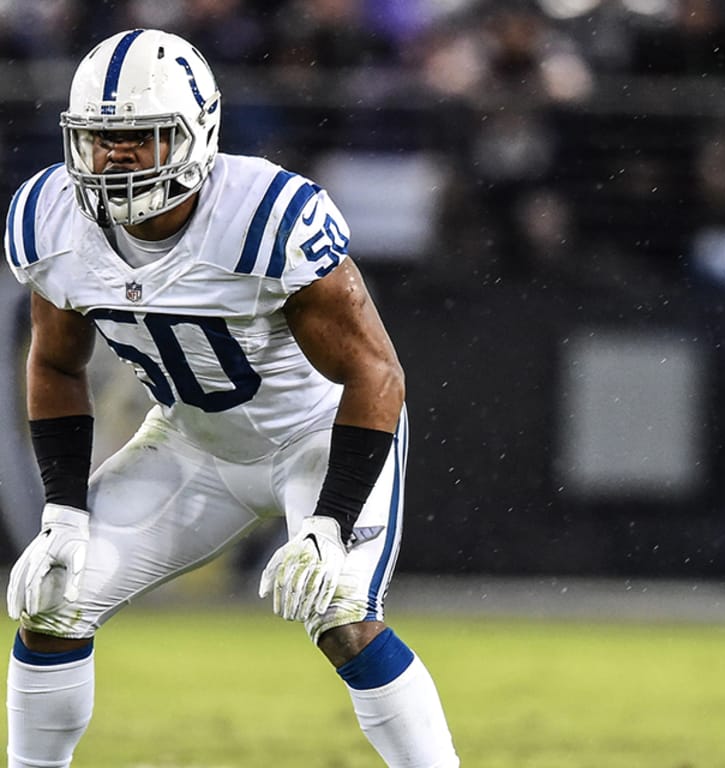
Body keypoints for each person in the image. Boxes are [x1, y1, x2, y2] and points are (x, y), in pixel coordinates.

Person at [3, 28, 459, 768]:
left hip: (317, 438)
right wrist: (62, 512)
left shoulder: (263, 216)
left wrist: (331, 521)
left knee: (342, 614)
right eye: (102, 138)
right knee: (54, 599)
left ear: (197, 134)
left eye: (144, 136)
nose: (117, 157)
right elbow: (55, 363)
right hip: (191, 443)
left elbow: (376, 374)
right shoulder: (51, 218)